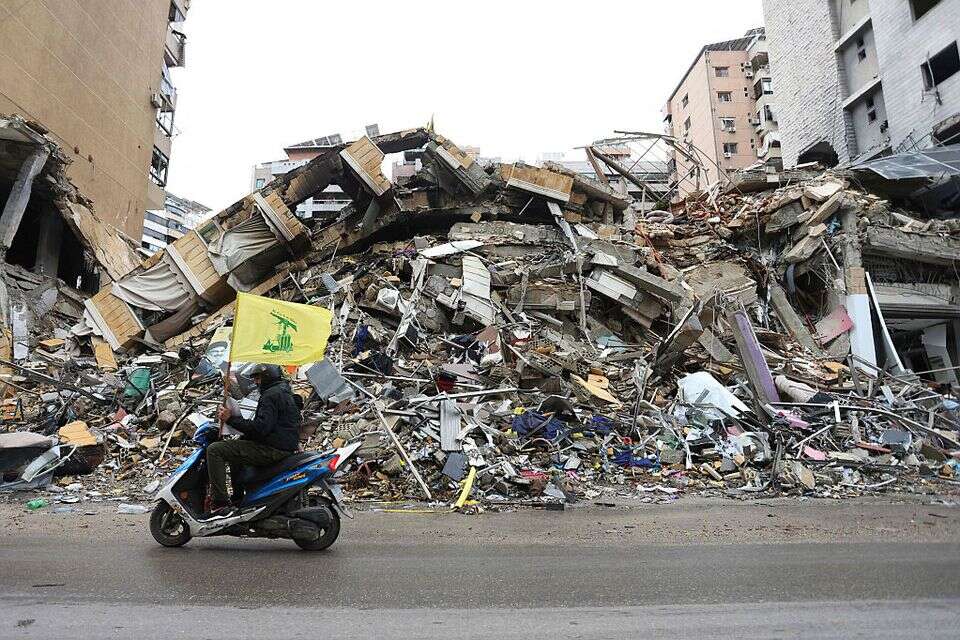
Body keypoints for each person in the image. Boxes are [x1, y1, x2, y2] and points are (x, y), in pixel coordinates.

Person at [206, 363, 301, 517]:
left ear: (268, 377)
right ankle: (238, 499)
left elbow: (261, 428)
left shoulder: (270, 396)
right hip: (281, 444)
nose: (256, 382)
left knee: (215, 450)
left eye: (258, 378)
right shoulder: (283, 391)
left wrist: (231, 419)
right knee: (235, 449)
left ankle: (220, 503)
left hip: (272, 448)